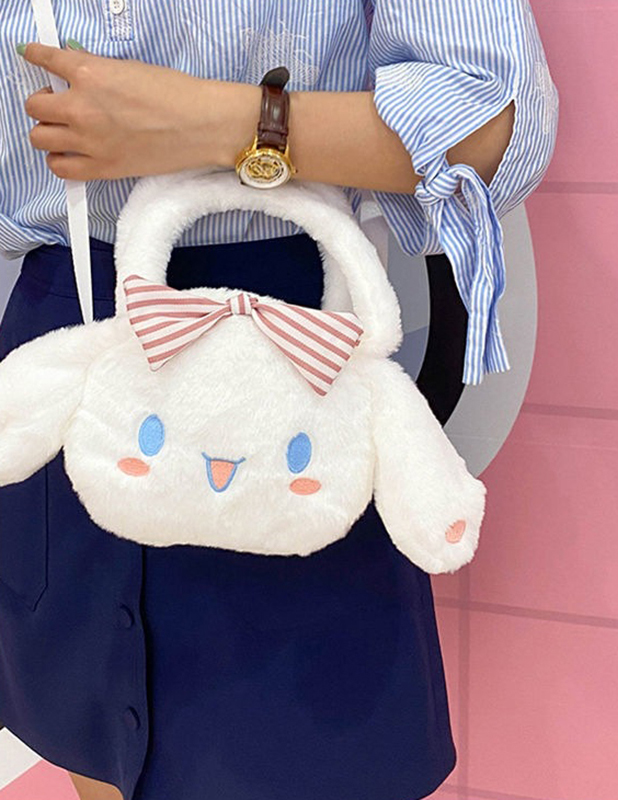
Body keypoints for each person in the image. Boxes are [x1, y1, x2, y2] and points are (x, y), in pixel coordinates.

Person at [0, 2, 559, 799]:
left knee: (308, 743)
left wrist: (224, 122)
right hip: (76, 336)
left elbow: (497, 129)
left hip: (295, 361)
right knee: (94, 743)